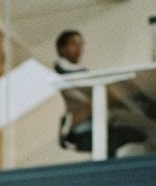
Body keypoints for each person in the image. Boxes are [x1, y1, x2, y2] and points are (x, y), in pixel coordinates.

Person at [54, 30, 148, 158]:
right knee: (114, 139)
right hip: (80, 130)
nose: (79, 48)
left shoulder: (82, 73)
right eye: (74, 44)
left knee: (137, 133)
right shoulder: (59, 77)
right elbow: (83, 101)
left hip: (98, 123)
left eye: (81, 44)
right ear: (62, 48)